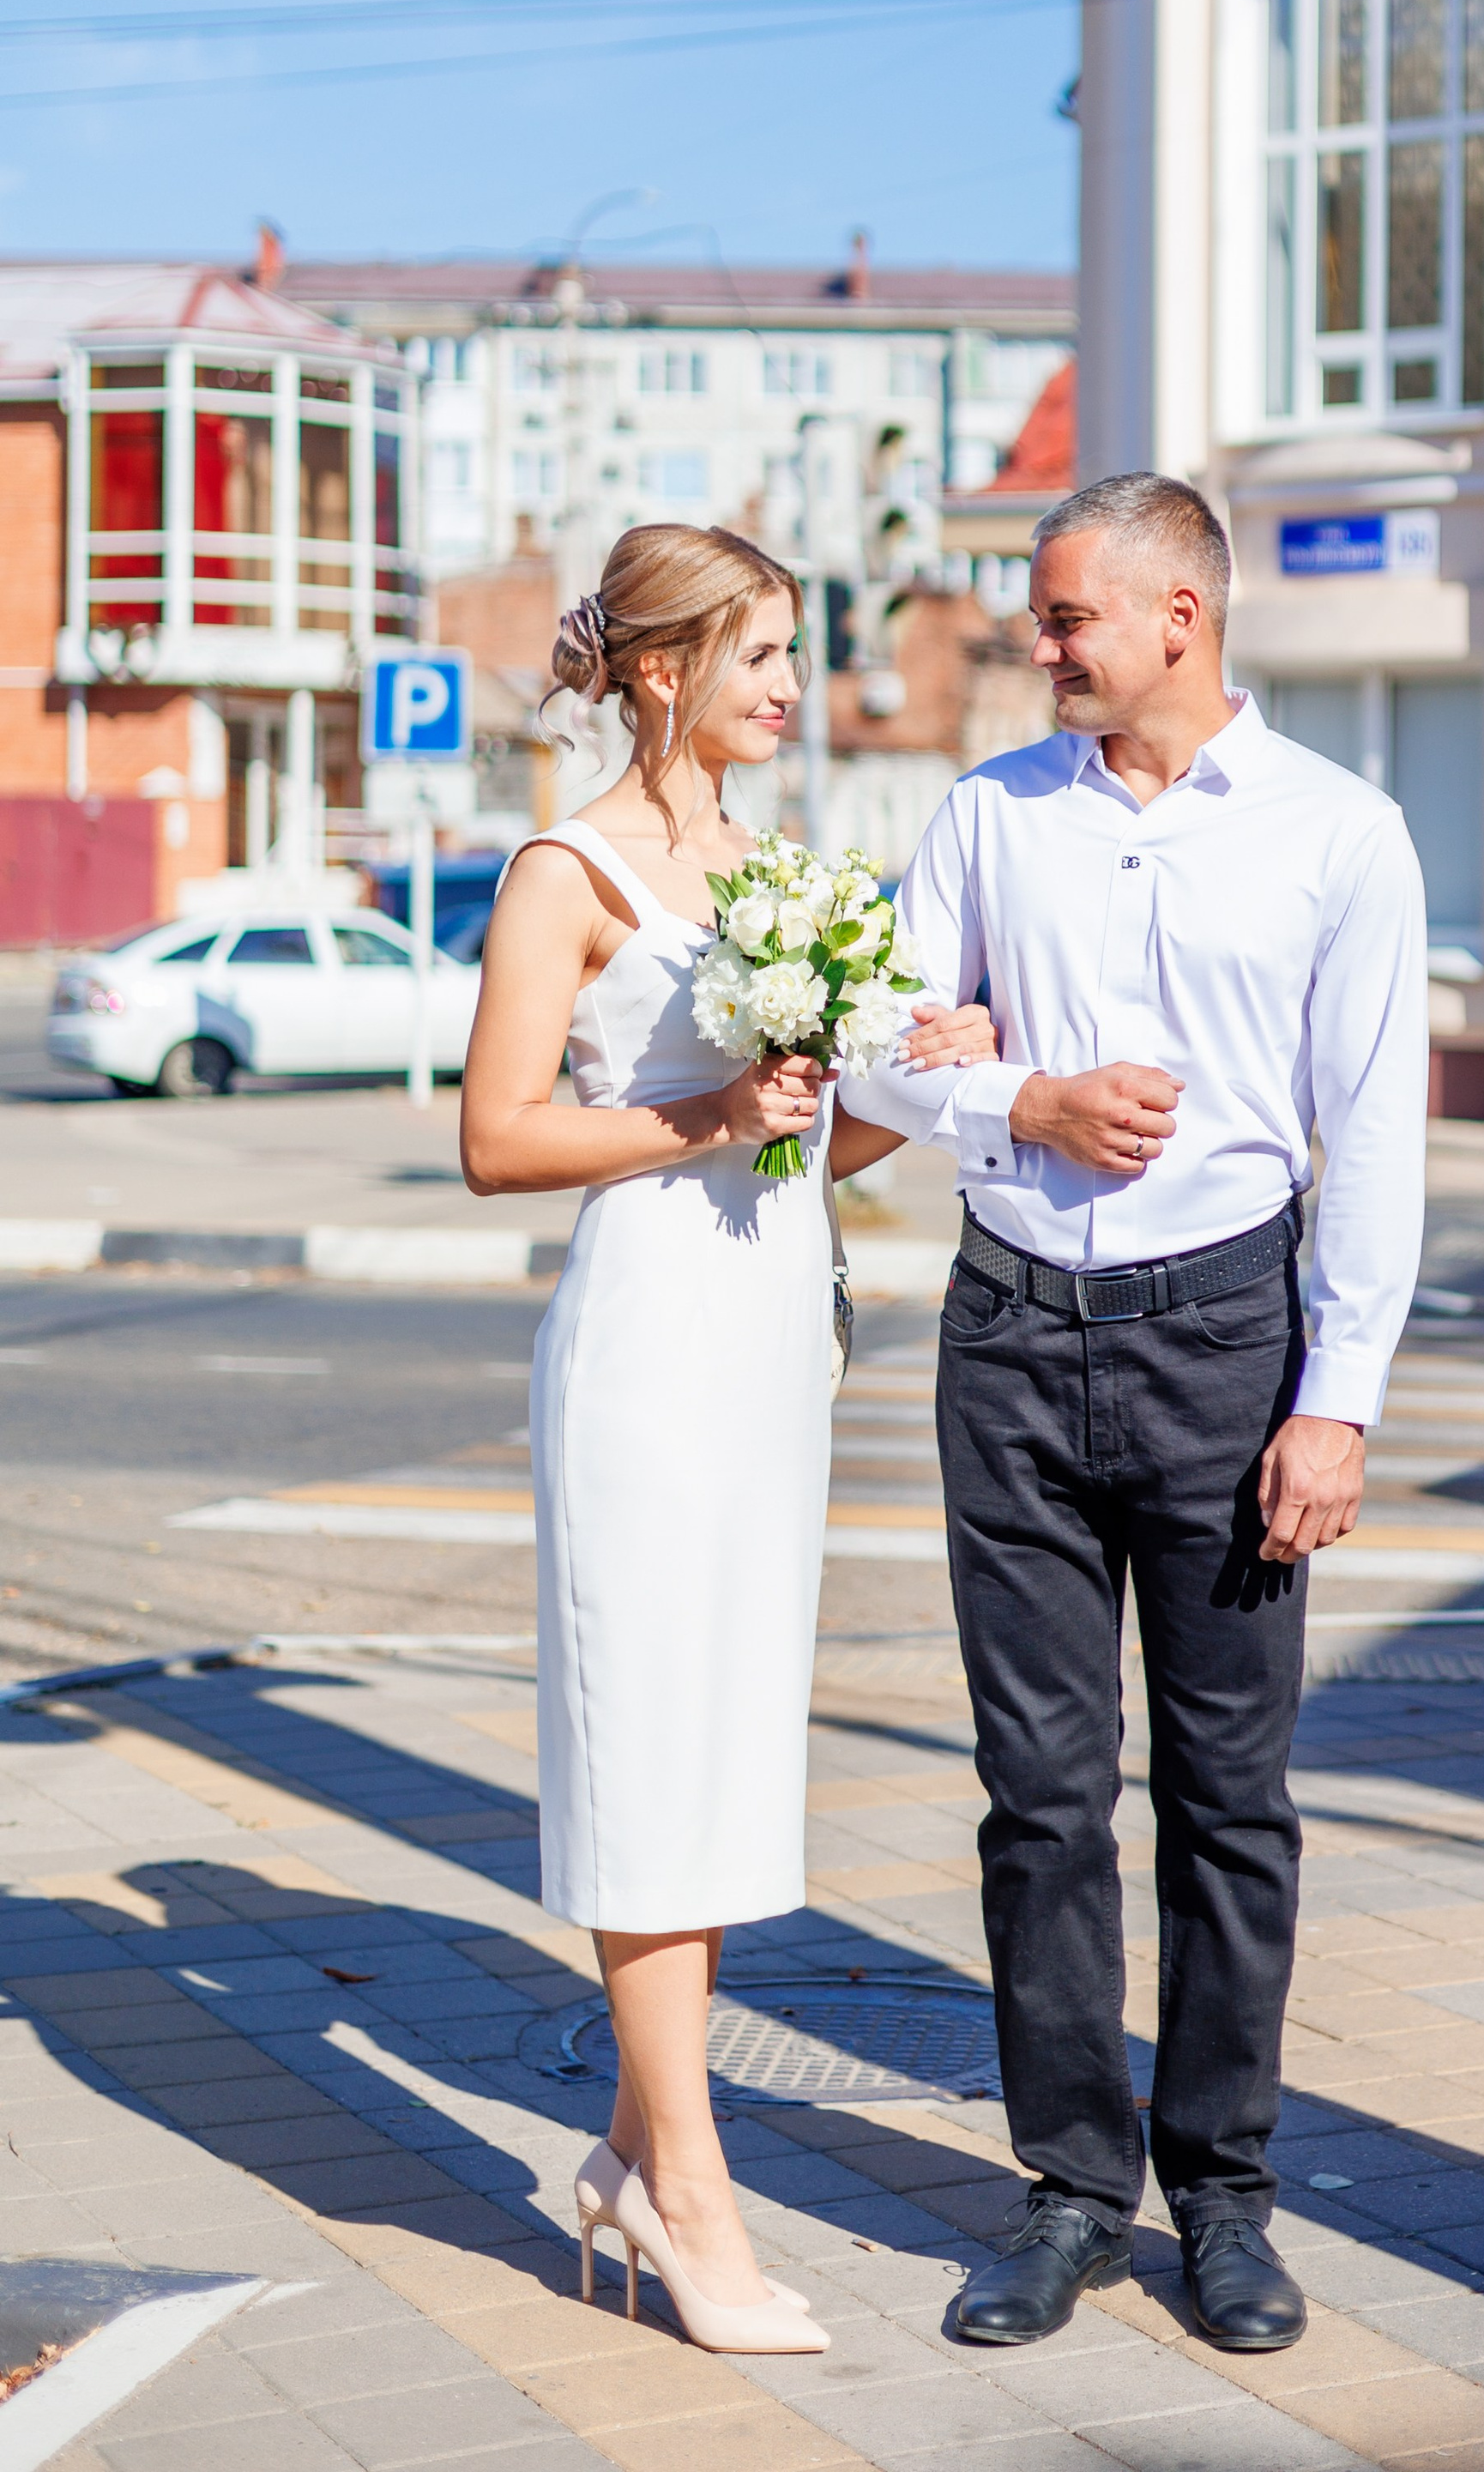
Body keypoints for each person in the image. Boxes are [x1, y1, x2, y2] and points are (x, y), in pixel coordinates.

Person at [848, 472, 1427, 2353]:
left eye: (1063, 618)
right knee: (1034, 1801)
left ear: (1177, 617)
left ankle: (1227, 2197)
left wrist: (1333, 1401)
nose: (1036, 646)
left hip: (1227, 1347)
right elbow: (875, 1041)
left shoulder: (1341, 835)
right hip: (1009, 1337)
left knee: (1228, 1801)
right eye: (1037, 616)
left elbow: (1378, 1146)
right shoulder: (985, 816)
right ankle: (1070, 2191)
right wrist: (1017, 1098)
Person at [460, 521, 992, 2355]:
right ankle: (690, 2188)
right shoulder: (564, 869)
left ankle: (626, 2151)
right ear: (667, 667)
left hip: (770, 1342)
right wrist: (705, 1109)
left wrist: (905, 1090)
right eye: (763, 651)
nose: (792, 684)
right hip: (646, 1347)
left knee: (718, 1750)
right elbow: (500, 1139)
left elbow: (798, 1139)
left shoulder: (775, 870)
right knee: (647, 1757)